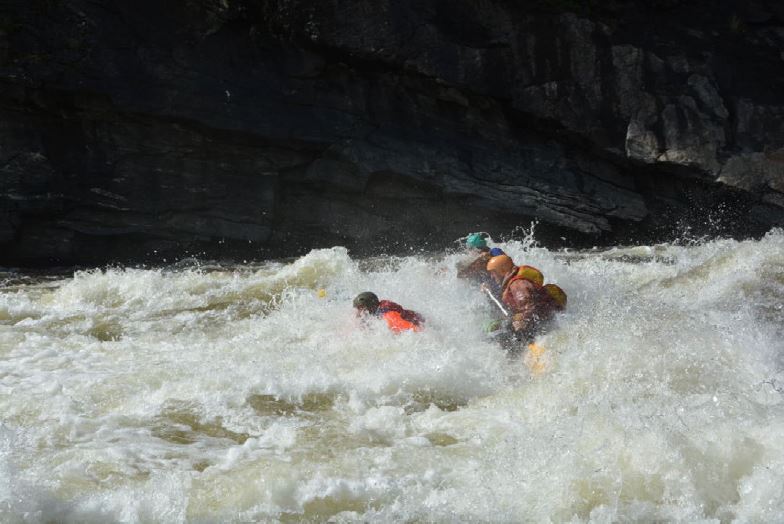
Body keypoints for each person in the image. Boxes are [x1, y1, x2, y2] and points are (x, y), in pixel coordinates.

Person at [484, 254, 567, 346]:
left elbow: (528, 305)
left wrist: (521, 319)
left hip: (543, 319)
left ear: (502, 271)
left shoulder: (517, 284)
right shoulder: (513, 282)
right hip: (543, 317)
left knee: (502, 336)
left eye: (493, 273)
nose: (492, 276)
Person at [352, 292, 425, 333]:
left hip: (419, 322)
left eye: (360, 308)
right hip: (415, 317)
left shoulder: (388, 315)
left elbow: (417, 328)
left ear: (370, 307)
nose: (358, 312)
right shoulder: (378, 308)